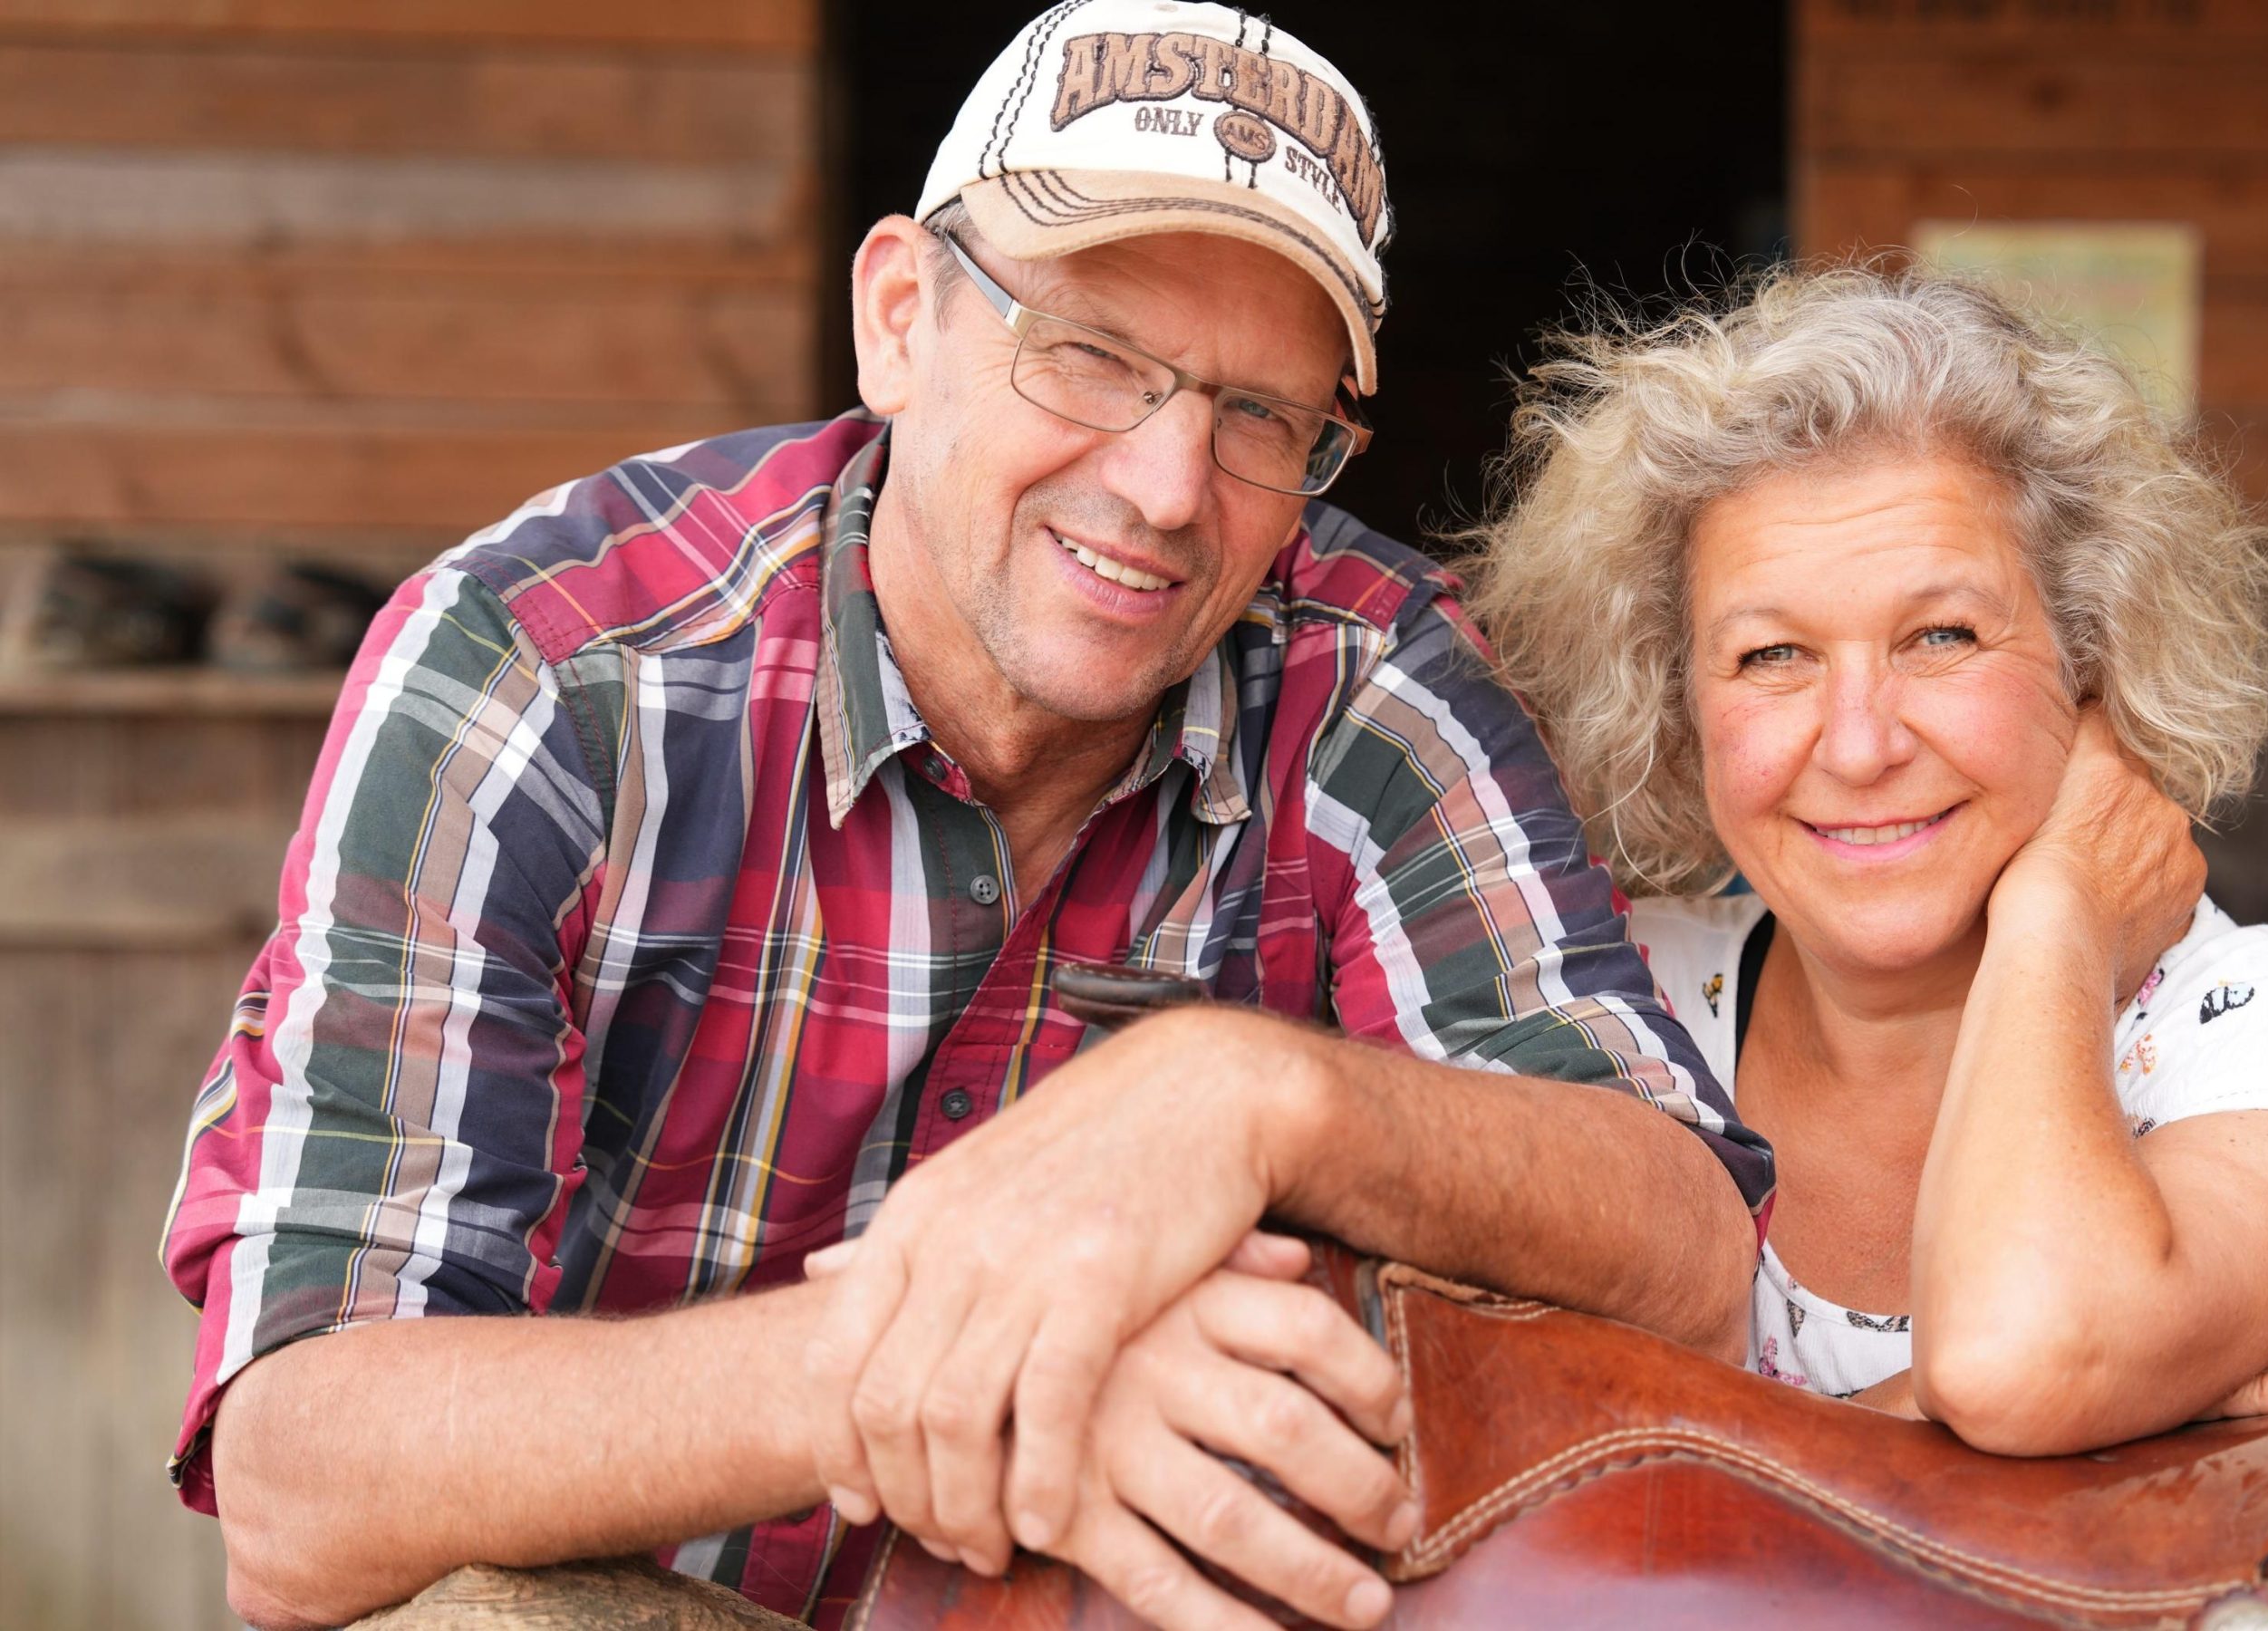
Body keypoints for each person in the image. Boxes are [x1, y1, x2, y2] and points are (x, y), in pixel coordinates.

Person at [156, 8, 1773, 1630]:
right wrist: (964, 1360)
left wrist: (1256, 1097)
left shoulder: (1369, 681)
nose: (1163, 485)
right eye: (1091, 356)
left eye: (1261, 417)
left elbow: (1688, 1252)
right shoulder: (550, 669)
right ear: (898, 321)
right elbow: (304, 1480)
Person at [1464, 265, 2268, 1453]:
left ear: (2095, 660)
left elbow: (2018, 1357)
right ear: (1676, 705)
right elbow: (1487, 1463)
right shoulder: (1603, 1008)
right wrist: (1946, 1411)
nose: (1862, 742)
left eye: (1942, 636)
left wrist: (2058, 919)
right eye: (1773, 655)